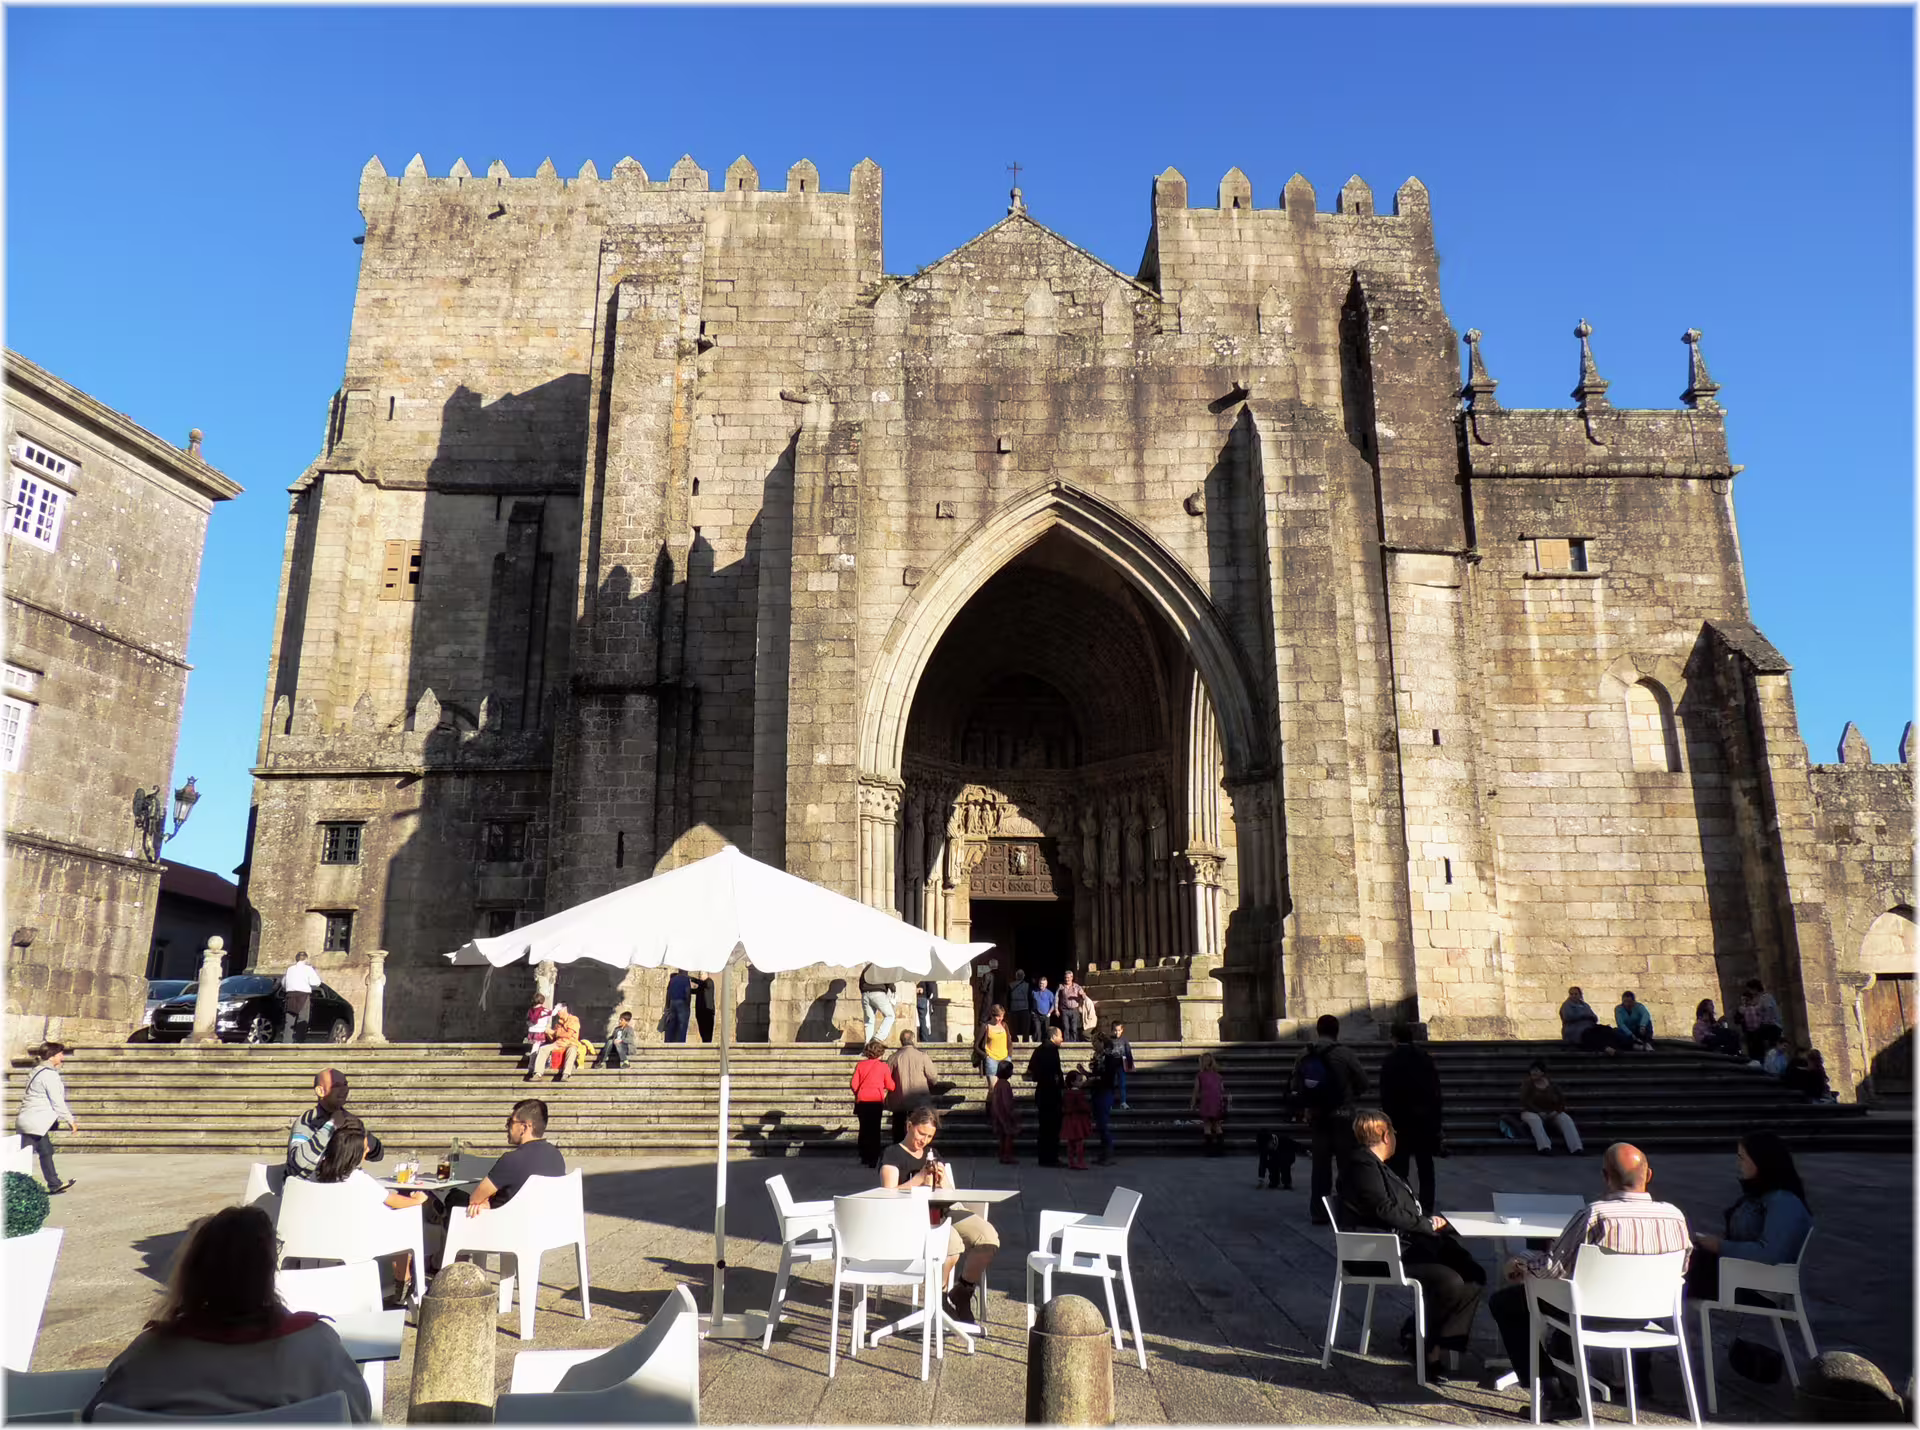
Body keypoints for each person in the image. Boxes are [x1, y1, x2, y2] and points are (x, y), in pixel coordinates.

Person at [84, 1206, 373, 1423]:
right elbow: (357, 1417)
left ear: (193, 1273)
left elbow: (95, 1415)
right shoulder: (316, 1347)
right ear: (268, 1271)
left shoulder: (148, 1354)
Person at [1487, 1143, 1691, 1420]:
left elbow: (1552, 1268)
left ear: (1606, 1176)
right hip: (1648, 1315)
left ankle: (1553, 1392)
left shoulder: (1595, 1215)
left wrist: (1521, 1262)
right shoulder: (1675, 1216)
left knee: (1506, 1302)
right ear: (1650, 1175)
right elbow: (1681, 1267)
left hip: (1591, 1314)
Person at [1336, 1108, 1486, 1382]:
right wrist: (1426, 1225)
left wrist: (1428, 1224)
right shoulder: (1361, 1164)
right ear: (1384, 1134)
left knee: (1473, 1273)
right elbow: (1383, 1210)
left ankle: (1436, 1340)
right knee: (1449, 1281)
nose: (1395, 1137)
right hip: (1381, 1252)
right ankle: (1425, 1348)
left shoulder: (1376, 1165)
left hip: (1401, 1245)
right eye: (1392, 1132)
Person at [879, 1105, 999, 1328]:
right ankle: (939, 1299)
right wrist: (920, 1178)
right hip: (912, 1215)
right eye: (921, 1134)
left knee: (988, 1237)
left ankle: (963, 1290)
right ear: (909, 1126)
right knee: (951, 1244)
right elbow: (888, 1192)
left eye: (929, 1136)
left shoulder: (933, 1154)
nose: (924, 1140)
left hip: (942, 1209)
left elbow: (950, 1192)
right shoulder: (893, 1154)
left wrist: (942, 1180)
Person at [1686, 1131, 1813, 1303]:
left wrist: (1720, 1246)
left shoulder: (1784, 1201)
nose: (1739, 1164)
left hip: (1755, 1284)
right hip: (1738, 1273)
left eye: (1742, 1158)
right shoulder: (1760, 1195)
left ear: (1760, 1161)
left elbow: (1770, 1253)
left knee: (1674, 1272)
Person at [312, 1115, 427, 1303]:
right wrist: (417, 1200)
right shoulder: (357, 1179)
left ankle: (402, 1281)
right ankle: (403, 1281)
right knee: (402, 1223)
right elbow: (392, 1200)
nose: (366, 1152)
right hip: (357, 1241)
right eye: (364, 1149)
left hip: (320, 1238)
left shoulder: (316, 1175)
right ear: (353, 1154)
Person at [1290, 1014, 1370, 1225]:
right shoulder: (1345, 1054)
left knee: (1320, 1166)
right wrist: (1348, 1096)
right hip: (1343, 1115)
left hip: (1318, 1117)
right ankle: (1347, 1209)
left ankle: (1319, 1210)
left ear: (1318, 1030)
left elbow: (1295, 1085)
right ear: (1337, 1031)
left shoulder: (1305, 1054)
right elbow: (1363, 1082)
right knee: (1346, 1165)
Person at [460, 1100, 564, 1217]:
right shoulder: (557, 1156)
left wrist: (485, 1203)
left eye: (510, 1122)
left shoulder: (512, 1160)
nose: (506, 1126)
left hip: (504, 1224)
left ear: (524, 1127)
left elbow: (474, 1198)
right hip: (541, 1223)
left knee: (454, 1197)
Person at [1380, 1023, 1444, 1210]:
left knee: (1399, 1166)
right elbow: (1435, 1092)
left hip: (1400, 1121)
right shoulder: (1424, 1058)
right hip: (1424, 1121)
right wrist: (1436, 1122)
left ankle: (1404, 1202)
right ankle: (1427, 1204)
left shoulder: (1391, 1060)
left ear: (1394, 1038)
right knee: (1425, 1165)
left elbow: (1386, 1094)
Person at [286, 1067, 380, 1180]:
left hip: (339, 1188)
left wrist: (365, 1138)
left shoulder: (349, 1120)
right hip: (306, 1189)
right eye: (336, 1086)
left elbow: (378, 1155)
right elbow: (298, 1161)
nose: (344, 1089)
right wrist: (331, 1126)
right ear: (320, 1091)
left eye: (345, 1084)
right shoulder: (307, 1121)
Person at [16, 1040, 77, 1193]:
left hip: (29, 1119)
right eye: (60, 1054)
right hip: (36, 1121)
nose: (62, 1057)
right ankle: (16, 1187)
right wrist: (70, 1120)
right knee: (25, 1155)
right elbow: (57, 1101)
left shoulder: (36, 1070)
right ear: (52, 1056)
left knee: (44, 1151)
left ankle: (54, 1184)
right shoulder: (50, 1075)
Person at [1517, 1059, 1584, 1155]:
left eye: (1536, 1070)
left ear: (1542, 1072)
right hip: (1530, 1111)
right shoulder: (1527, 1084)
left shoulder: (1551, 1084)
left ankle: (1576, 1148)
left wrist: (1557, 1111)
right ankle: (1544, 1147)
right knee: (1534, 1119)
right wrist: (1538, 1112)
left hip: (1550, 1112)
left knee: (1565, 1118)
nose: (1534, 1073)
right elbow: (1524, 1101)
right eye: (1532, 1070)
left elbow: (1561, 1099)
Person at [886, 1029, 939, 1143]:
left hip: (899, 1098)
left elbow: (886, 1078)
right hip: (919, 1099)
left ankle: (898, 1149)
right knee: (918, 1125)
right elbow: (933, 1077)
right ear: (913, 1040)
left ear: (901, 1041)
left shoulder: (893, 1058)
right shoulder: (922, 1056)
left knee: (898, 1126)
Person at [850, 1039, 895, 1168]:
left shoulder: (860, 1065)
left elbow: (854, 1084)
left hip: (862, 1100)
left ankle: (864, 1155)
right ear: (880, 1053)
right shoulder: (883, 1066)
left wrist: (860, 1092)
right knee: (874, 1130)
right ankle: (873, 1158)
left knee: (863, 1128)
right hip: (876, 1101)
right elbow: (890, 1085)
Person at [1027, 1026, 1066, 1167]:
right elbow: (1056, 1072)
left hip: (1042, 1092)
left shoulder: (1038, 1049)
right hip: (1051, 1093)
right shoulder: (1052, 1050)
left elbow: (1031, 1071)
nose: (1062, 1039)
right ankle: (1051, 1158)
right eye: (1060, 1036)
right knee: (1053, 1127)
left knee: (1043, 1127)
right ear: (1053, 1037)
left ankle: (1043, 1158)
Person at [1560, 985, 1630, 1054]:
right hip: (1575, 1030)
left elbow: (1594, 1017)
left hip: (1589, 1026)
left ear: (1580, 995)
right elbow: (1568, 1017)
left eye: (1576, 994)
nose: (1574, 996)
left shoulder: (1585, 1005)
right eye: (1571, 994)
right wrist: (1583, 1015)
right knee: (1590, 1035)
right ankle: (1606, 1049)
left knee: (1606, 1030)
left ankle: (1616, 1047)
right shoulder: (1567, 1005)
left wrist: (1591, 1017)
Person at [1088, 1032, 1122, 1165]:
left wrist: (1093, 1079)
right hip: (1097, 1091)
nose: (1093, 1046)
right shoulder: (1098, 1056)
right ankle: (1103, 1154)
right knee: (1099, 1124)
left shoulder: (1109, 1057)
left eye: (1094, 1043)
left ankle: (1108, 1154)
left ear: (1101, 1042)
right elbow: (1096, 1074)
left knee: (1102, 1123)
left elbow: (1108, 1077)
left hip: (1105, 1092)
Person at [534, 1003, 588, 1081]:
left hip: (570, 1043)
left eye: (558, 1010)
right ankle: (538, 1073)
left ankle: (566, 1074)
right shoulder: (558, 1023)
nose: (557, 1012)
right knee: (543, 1049)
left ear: (564, 1009)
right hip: (558, 1043)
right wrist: (547, 1032)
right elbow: (554, 1038)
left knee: (572, 1050)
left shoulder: (573, 1019)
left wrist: (554, 1033)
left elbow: (569, 1034)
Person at [1190, 1051, 1229, 1157]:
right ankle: (1220, 1150)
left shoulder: (1200, 1075)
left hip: (1206, 1100)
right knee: (1217, 1125)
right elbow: (1222, 1090)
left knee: (1207, 1125)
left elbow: (1196, 1090)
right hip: (1216, 1100)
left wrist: (1193, 1102)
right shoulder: (1218, 1076)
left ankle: (1209, 1151)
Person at [280, 951, 321, 1043]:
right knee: (302, 1019)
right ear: (306, 959)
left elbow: (283, 983)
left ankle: (286, 1043)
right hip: (303, 995)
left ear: (296, 959)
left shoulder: (290, 969)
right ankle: (299, 1042)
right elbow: (316, 982)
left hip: (290, 995)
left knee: (289, 1021)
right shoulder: (308, 969)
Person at [1738, 979, 1783, 1062]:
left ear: (1754, 988)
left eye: (1750, 989)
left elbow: (1768, 1010)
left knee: (1754, 1036)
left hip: (1773, 1026)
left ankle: (1758, 1058)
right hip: (1769, 1026)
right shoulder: (1762, 998)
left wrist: (1764, 1022)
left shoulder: (1766, 997)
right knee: (1753, 1035)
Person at [1060, 1070, 1094, 1171]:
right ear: (1072, 1082)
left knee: (1070, 1142)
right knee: (1079, 1142)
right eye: (1079, 1080)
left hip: (1069, 1119)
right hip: (1078, 1119)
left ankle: (1071, 1161)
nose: (1081, 1082)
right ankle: (1080, 1161)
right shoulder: (1078, 1093)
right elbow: (1083, 1106)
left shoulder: (1067, 1093)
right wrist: (1089, 1110)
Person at [974, 1003, 1012, 1090]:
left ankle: (1004, 1104)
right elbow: (976, 1045)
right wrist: (985, 1056)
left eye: (1002, 1016)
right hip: (991, 1060)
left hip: (1005, 1059)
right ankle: (993, 1103)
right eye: (998, 1016)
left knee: (1006, 1087)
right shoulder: (985, 1026)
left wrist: (1009, 1055)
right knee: (993, 1089)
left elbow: (1009, 1042)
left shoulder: (1004, 1025)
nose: (1000, 1019)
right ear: (992, 1015)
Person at [989, 1062, 1020, 1164]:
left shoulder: (998, 1084)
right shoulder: (1005, 1085)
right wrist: (1012, 1113)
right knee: (1008, 1135)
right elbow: (1006, 1101)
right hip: (1004, 1113)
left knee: (1002, 1136)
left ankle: (1002, 1155)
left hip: (997, 1112)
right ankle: (1007, 1156)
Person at [859, 963, 896, 1044]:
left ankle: (867, 1046)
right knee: (890, 1016)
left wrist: (864, 993)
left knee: (869, 1021)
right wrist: (893, 988)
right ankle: (878, 1038)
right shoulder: (883, 965)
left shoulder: (867, 967)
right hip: (878, 993)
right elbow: (889, 980)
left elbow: (860, 983)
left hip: (865, 994)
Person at [1108, 1020, 1136, 1108]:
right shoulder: (1109, 1040)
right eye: (1115, 1030)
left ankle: (1123, 1102)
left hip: (1121, 1065)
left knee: (1122, 1084)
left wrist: (1130, 1063)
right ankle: (1110, 1103)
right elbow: (1105, 1052)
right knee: (1110, 1085)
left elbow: (1128, 1051)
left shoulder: (1124, 1040)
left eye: (1119, 1030)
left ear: (1122, 1030)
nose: (1117, 1032)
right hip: (1111, 1065)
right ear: (1112, 1030)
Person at [664, 970, 692, 1044]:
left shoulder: (673, 980)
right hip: (682, 1003)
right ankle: (680, 1044)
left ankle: (670, 1042)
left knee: (672, 1023)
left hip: (672, 1003)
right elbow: (687, 992)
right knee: (682, 1025)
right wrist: (688, 1005)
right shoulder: (686, 980)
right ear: (685, 972)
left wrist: (667, 1006)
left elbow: (668, 993)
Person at [1058, 971, 1087, 1042]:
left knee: (1074, 1028)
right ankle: (1067, 1043)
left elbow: (1084, 997)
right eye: (1065, 978)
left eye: (1068, 978)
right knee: (1066, 1027)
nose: (1067, 979)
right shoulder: (1061, 986)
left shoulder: (1077, 986)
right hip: (1065, 1010)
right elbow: (1056, 997)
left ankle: (1074, 1042)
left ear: (1072, 977)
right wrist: (1056, 1009)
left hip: (1074, 1010)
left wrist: (1082, 995)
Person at [1008, 969, 1034, 1043]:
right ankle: (1025, 1040)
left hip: (1013, 1008)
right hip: (1025, 1008)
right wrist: (1031, 1009)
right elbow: (1030, 998)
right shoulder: (1027, 985)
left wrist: (1009, 1008)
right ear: (1023, 976)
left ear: (1016, 976)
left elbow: (1008, 998)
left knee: (1014, 1027)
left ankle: (1014, 1040)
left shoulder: (1010, 985)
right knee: (1025, 1027)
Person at [694, 974, 717, 1044]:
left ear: (706, 975)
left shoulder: (709, 982)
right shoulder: (701, 986)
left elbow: (704, 984)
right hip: (700, 1012)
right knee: (702, 1032)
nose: (699, 976)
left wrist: (691, 979)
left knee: (708, 1032)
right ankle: (705, 1043)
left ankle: (708, 1045)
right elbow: (694, 991)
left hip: (708, 1011)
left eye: (701, 974)